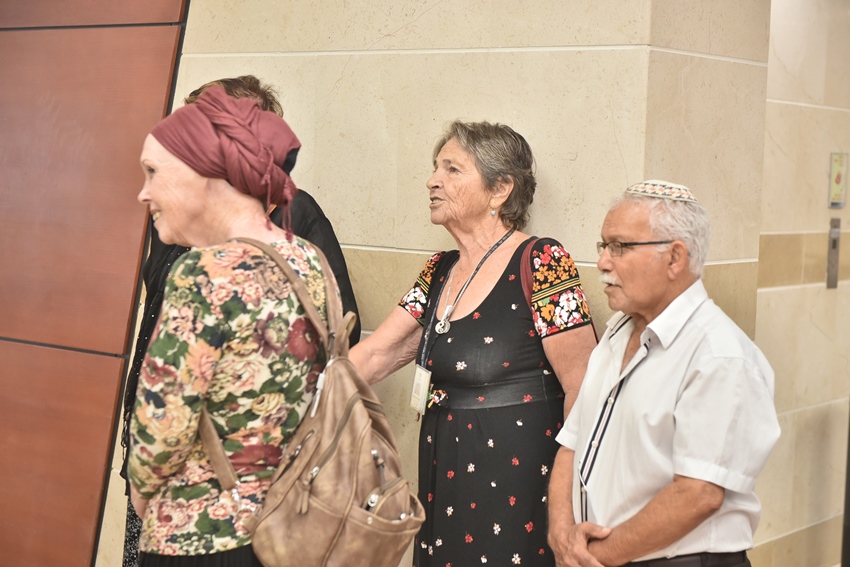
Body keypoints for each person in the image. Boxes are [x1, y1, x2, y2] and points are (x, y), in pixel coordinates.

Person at [119, 75, 359, 566]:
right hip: (283, 523)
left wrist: (145, 489)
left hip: (200, 530)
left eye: (156, 172)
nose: (145, 193)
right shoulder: (308, 261)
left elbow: (162, 435)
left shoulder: (204, 271)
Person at [350, 120, 598, 566]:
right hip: (444, 476)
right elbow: (376, 353)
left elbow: (584, 386)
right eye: (435, 167)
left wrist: (567, 502)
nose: (433, 180)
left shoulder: (543, 261)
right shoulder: (438, 270)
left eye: (452, 169)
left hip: (519, 486)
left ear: (500, 189)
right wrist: (294, 394)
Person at [547, 181, 781, 567]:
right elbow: (572, 444)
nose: (603, 262)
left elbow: (698, 494)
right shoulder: (616, 334)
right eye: (603, 246)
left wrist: (595, 556)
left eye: (619, 247)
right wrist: (561, 535)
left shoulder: (719, 356)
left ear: (674, 258)